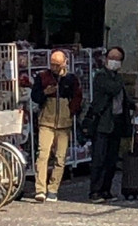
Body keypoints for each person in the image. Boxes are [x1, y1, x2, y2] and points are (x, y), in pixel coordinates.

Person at [31, 49, 83, 203]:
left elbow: (77, 97)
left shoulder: (71, 79)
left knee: (60, 158)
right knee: (43, 155)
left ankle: (53, 189)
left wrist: (71, 111)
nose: (54, 67)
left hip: (64, 123)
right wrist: (46, 93)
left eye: (57, 65)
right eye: (52, 64)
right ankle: (40, 189)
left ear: (64, 63)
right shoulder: (42, 77)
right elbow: (35, 97)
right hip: (46, 121)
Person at [85, 46, 132, 203]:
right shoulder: (101, 76)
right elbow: (113, 89)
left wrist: (134, 106)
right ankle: (95, 191)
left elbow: (123, 96)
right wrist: (119, 79)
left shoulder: (117, 77)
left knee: (112, 160)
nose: (113, 61)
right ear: (106, 59)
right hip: (103, 123)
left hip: (117, 122)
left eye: (117, 59)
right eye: (111, 57)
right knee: (99, 158)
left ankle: (106, 189)